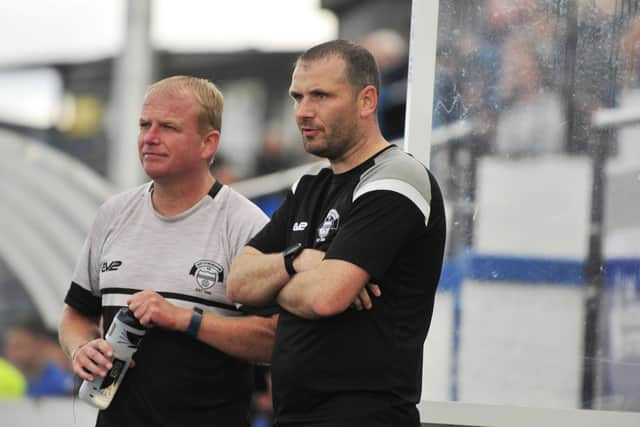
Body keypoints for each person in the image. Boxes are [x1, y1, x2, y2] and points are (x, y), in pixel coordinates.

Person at [227, 40, 447, 427]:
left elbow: (326, 297)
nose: (303, 112)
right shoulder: (310, 185)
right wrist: (301, 261)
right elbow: (238, 284)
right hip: (293, 414)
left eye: (321, 96)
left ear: (366, 101)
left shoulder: (397, 178)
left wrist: (279, 277)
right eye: (297, 97)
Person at [58, 75, 277, 427]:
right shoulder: (114, 214)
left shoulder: (245, 224)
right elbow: (75, 316)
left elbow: (273, 338)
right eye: (145, 124)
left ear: (208, 143)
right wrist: (82, 349)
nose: (150, 137)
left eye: (169, 127)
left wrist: (185, 320)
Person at [3, 318, 74, 397]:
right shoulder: (9, 381)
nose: (12, 353)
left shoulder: (60, 384)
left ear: (39, 344)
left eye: (19, 346)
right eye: (9, 346)